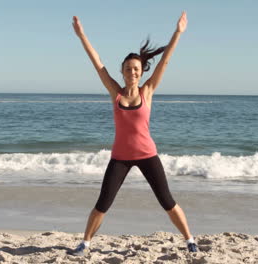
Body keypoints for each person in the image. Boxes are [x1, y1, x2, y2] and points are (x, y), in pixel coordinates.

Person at [70, 12, 197, 255]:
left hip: (147, 155)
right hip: (120, 157)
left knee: (167, 201)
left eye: (137, 69)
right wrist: (82, 35)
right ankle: (85, 243)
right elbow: (96, 62)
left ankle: (190, 239)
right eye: (129, 69)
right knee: (103, 203)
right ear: (123, 71)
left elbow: (164, 62)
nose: (133, 72)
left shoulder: (147, 91)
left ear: (141, 71)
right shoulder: (115, 92)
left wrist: (178, 32)